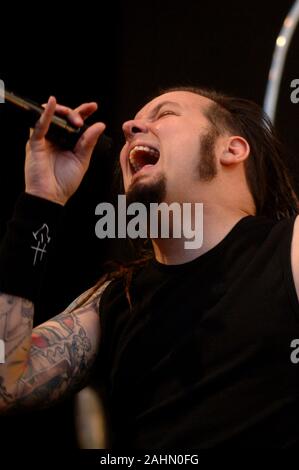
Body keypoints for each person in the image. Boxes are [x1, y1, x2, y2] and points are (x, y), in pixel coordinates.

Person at [0, 86, 299, 448]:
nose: (129, 127)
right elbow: (7, 382)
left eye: (165, 114)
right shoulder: (113, 298)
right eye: (135, 121)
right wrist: (41, 202)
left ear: (231, 149)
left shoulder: (288, 249)